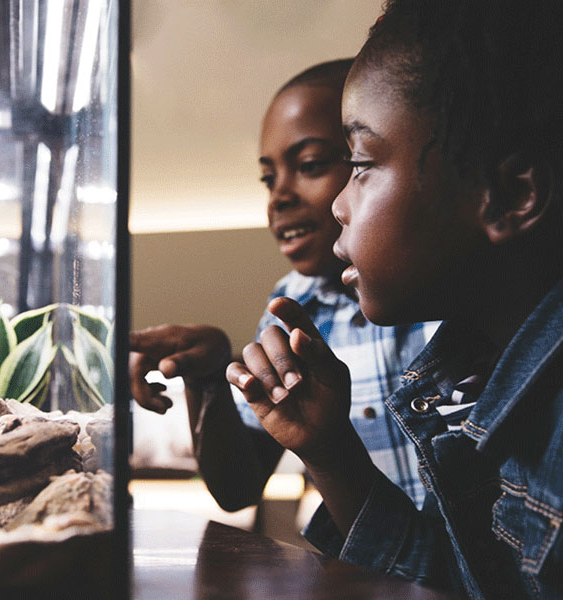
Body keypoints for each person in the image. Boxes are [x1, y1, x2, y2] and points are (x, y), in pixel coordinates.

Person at [226, 1, 563, 598]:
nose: (337, 207)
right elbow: (461, 586)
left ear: (511, 194)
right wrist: (333, 455)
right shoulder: (475, 368)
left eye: (359, 165)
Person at [130, 59, 433, 514]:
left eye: (309, 164)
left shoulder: (441, 289)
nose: (279, 196)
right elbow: (237, 491)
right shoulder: (292, 308)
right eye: (269, 179)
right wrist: (209, 379)